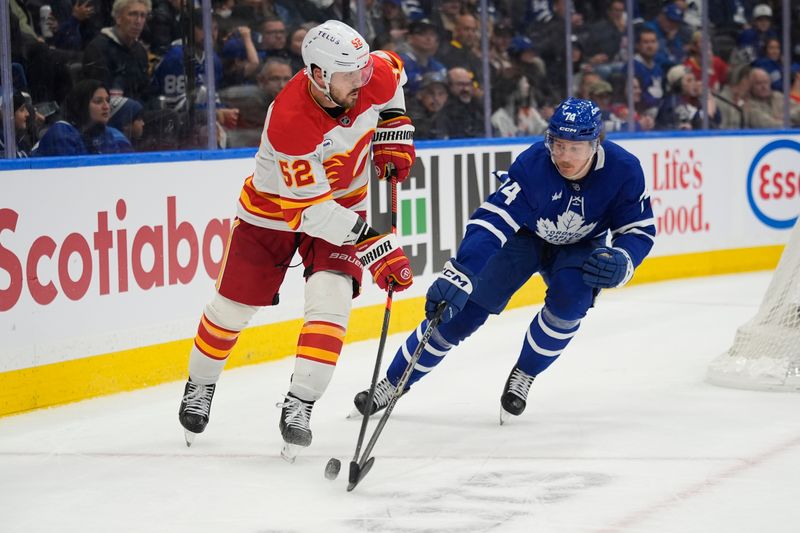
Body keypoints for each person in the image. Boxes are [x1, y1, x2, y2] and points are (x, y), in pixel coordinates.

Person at [177, 20, 416, 459]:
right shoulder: (289, 119)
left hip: (344, 205)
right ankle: (201, 384)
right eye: (350, 75)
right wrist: (377, 246)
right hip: (273, 213)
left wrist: (394, 125)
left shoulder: (368, 73)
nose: (362, 81)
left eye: (363, 71)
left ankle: (300, 404)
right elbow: (310, 213)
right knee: (230, 310)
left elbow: (394, 76)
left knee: (332, 301)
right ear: (319, 74)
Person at [353, 97, 656, 423]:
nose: (564, 157)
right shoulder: (533, 166)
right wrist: (462, 272)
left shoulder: (624, 169)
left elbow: (638, 229)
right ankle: (393, 382)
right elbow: (491, 222)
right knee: (461, 313)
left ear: (597, 143)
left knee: (571, 300)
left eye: (576, 148)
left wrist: (625, 259)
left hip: (581, 246)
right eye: (558, 145)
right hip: (523, 239)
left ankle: (525, 373)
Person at [32, 79, 133, 156]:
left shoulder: (106, 133)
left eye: (107, 100)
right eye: (98, 101)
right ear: (81, 105)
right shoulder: (61, 134)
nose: (106, 106)